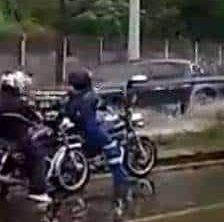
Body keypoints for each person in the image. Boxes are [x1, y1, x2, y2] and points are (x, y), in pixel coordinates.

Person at [64, 68, 129, 198]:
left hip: (77, 130)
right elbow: (93, 119)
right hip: (91, 131)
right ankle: (120, 180)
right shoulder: (89, 97)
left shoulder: (72, 97)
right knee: (112, 149)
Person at [1, 71, 50, 204]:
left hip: (3, 138)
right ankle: (38, 190)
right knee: (38, 155)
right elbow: (35, 118)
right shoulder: (19, 103)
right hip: (15, 138)